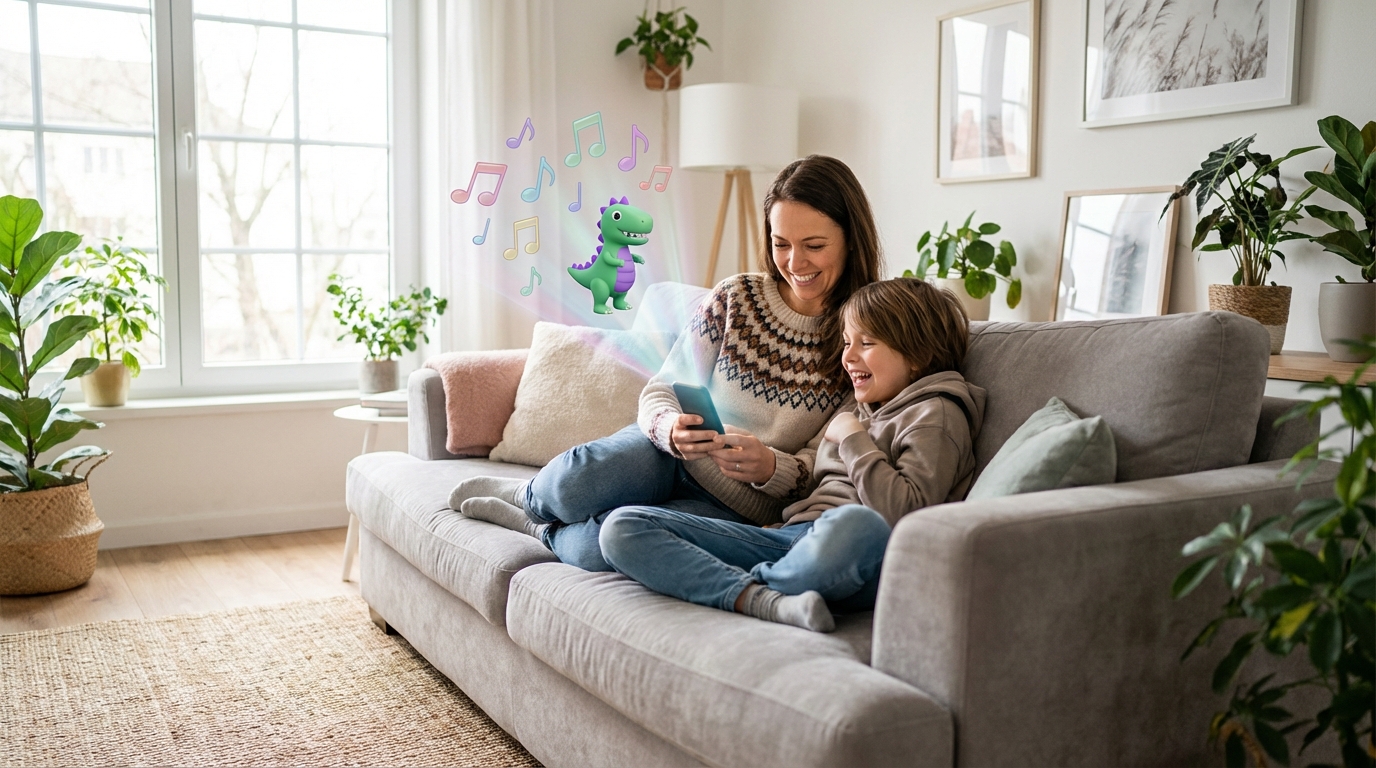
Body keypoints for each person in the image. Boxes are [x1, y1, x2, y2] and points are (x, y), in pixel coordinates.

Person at [449, 155, 886, 571]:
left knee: (597, 547)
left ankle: (535, 528)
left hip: (737, 506)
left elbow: (830, 468)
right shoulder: (738, 298)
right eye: (780, 244)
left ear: (851, 240)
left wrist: (773, 468)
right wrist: (668, 427)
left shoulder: (865, 341)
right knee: (571, 483)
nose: (794, 262)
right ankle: (529, 498)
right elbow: (664, 387)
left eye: (814, 245)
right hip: (664, 455)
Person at [599, 278, 985, 632]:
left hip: (857, 553)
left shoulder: (937, 413)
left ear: (918, 354)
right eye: (847, 343)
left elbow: (906, 514)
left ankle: (748, 585)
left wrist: (853, 440)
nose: (848, 357)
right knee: (622, 526)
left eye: (866, 343)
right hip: (790, 541)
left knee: (858, 525)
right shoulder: (868, 407)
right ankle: (761, 599)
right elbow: (812, 488)